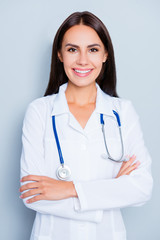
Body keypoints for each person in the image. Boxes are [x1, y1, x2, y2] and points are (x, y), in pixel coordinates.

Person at [19, 11, 153, 240]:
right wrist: (112, 191)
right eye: (72, 49)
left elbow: (142, 188)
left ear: (105, 55)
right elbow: (33, 195)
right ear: (60, 55)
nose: (82, 60)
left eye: (93, 49)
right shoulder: (39, 112)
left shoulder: (122, 112)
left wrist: (69, 189)